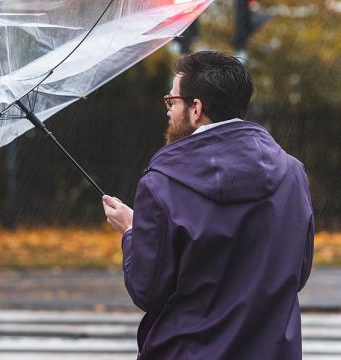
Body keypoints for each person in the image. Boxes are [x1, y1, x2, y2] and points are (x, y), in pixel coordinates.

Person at [102, 51, 314, 359]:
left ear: (196, 108)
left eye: (171, 102)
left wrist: (132, 232)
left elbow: (148, 291)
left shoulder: (162, 184)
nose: (168, 111)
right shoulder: (293, 174)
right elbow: (298, 272)